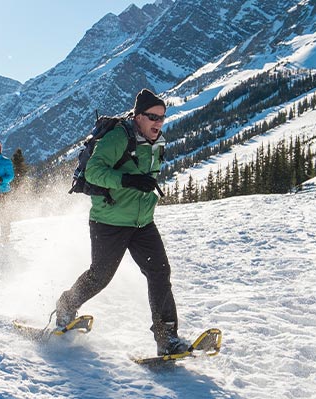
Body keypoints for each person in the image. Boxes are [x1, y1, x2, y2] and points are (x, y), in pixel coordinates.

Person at [54, 89, 189, 356]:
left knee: (160, 272)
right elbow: (93, 172)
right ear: (138, 116)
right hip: (109, 221)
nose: (159, 122)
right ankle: (66, 305)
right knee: (101, 276)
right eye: (153, 117)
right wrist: (127, 180)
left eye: (162, 117)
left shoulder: (156, 141)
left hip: (142, 223)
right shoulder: (118, 137)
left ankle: (167, 339)